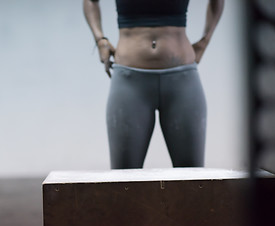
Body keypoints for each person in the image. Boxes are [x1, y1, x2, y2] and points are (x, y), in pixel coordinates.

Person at [83, 0, 224, 169]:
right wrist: (100, 40)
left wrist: (205, 41)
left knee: (192, 179)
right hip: (130, 82)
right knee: (123, 180)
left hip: (182, 81)